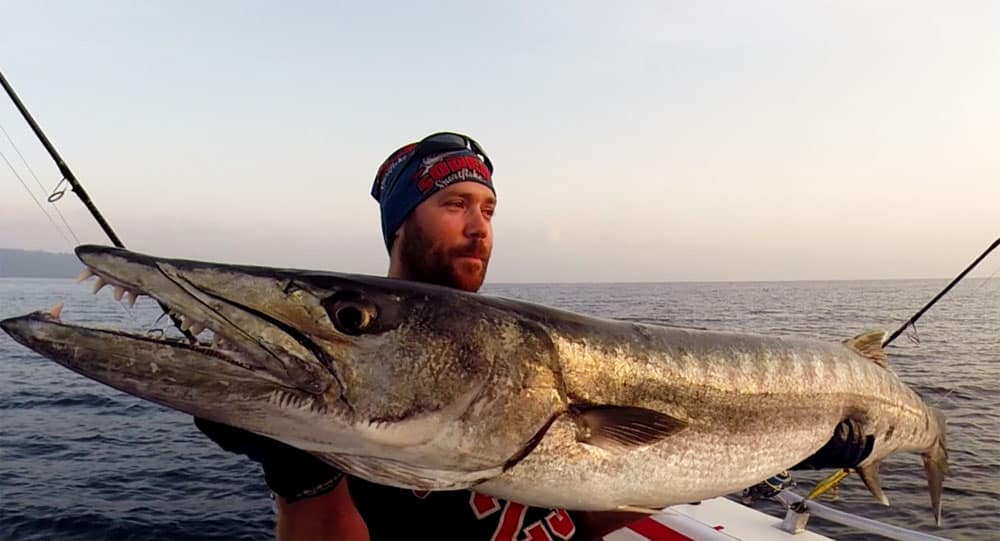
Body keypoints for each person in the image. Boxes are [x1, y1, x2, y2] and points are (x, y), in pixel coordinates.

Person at [195, 131, 874, 540]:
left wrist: (774, 454)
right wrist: (303, 477)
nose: (479, 224)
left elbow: (589, 509)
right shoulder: (361, 388)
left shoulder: (523, 358)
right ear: (401, 225)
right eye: (454, 203)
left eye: (488, 208)